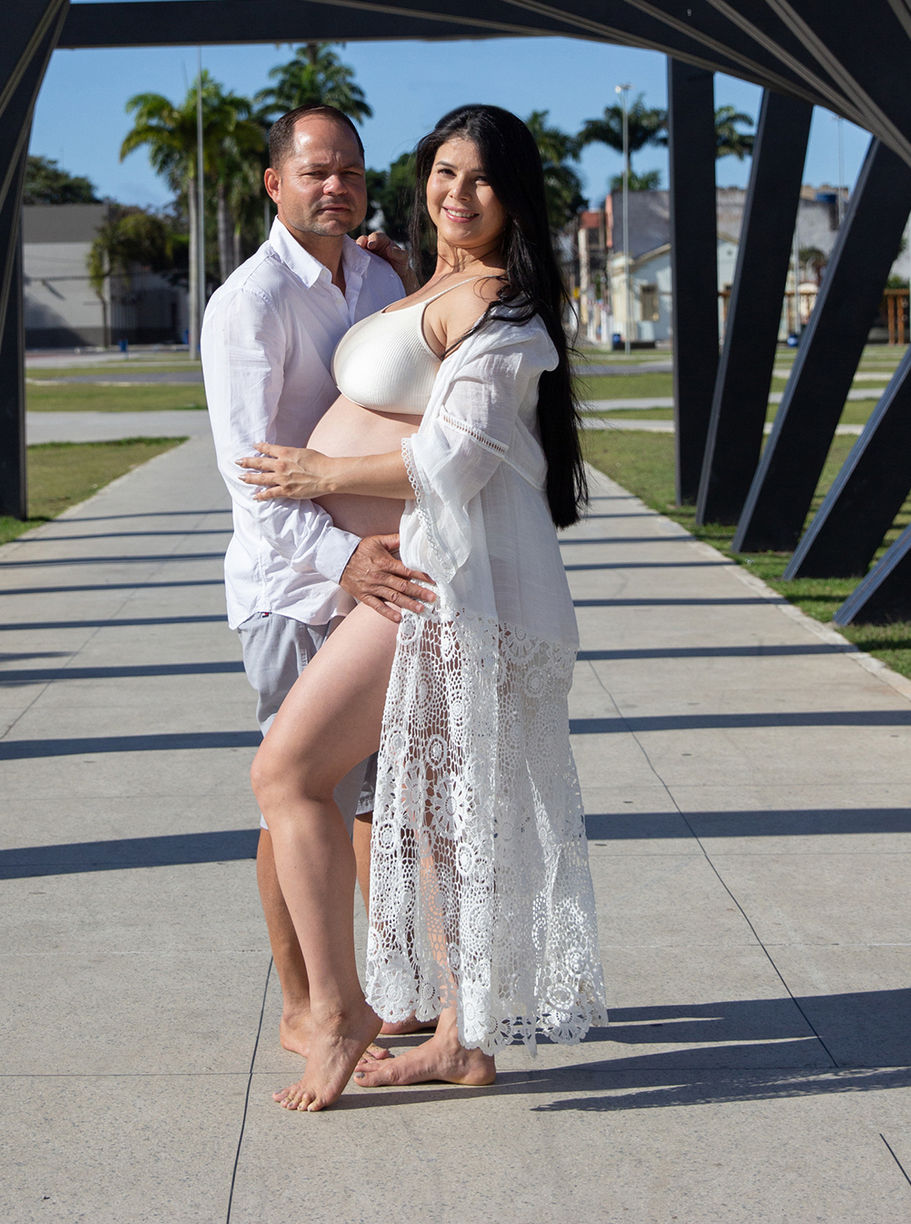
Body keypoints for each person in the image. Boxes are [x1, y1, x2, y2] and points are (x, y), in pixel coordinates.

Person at [240, 104, 607, 1111]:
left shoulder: (502, 305)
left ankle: (345, 1012)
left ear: (515, 197)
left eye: (482, 179)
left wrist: (320, 471)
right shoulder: (431, 280)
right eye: (445, 170)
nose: (459, 190)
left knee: (288, 774)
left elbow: (455, 456)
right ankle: (463, 1039)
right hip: (423, 581)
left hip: (442, 587)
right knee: (445, 818)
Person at [201, 103, 436, 1059]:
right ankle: (302, 1006)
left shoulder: (376, 272)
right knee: (298, 789)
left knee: (384, 795)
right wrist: (345, 559)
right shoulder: (248, 303)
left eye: (348, 170)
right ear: (275, 183)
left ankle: (392, 989)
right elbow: (250, 472)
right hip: (297, 589)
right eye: (315, 171)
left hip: (378, 589)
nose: (334, 185)